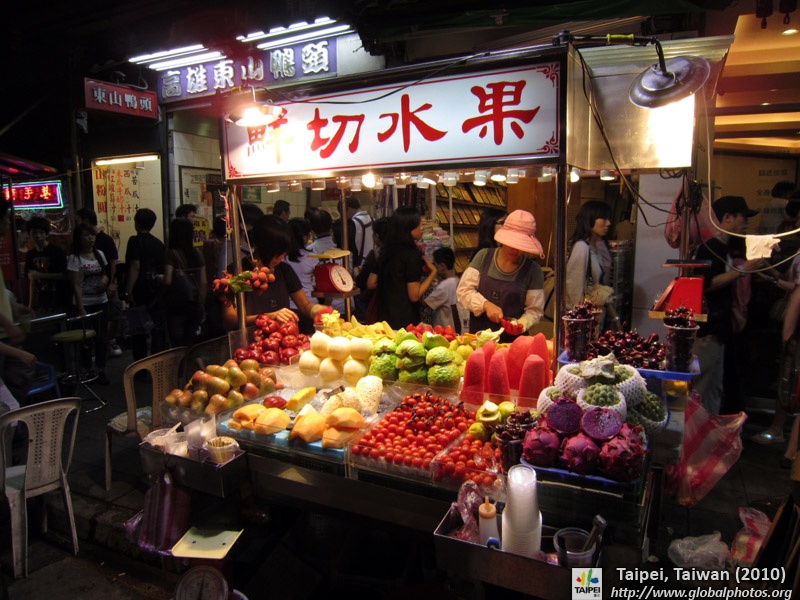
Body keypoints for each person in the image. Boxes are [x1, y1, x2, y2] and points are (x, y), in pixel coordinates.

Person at [691, 196, 764, 415]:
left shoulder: (725, 248)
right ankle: (694, 430)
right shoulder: (710, 248)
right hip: (708, 331)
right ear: (727, 218)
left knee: (714, 387)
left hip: (720, 329)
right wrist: (742, 270)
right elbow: (705, 284)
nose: (746, 223)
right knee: (701, 387)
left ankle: (709, 429)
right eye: (743, 217)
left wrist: (734, 312)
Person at [222, 215, 327, 330]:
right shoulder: (237, 272)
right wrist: (269, 317)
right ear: (264, 249)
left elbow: (305, 306)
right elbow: (231, 320)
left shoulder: (284, 270)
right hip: (250, 337)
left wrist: (318, 311)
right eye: (278, 254)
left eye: (284, 254)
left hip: (281, 337)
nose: (281, 258)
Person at [457, 209, 545, 342]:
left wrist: (520, 325)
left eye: (521, 246)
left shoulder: (534, 271)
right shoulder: (483, 256)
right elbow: (463, 291)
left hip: (514, 343)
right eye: (512, 243)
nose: (516, 250)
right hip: (479, 340)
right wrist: (485, 304)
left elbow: (535, 311)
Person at [367, 207, 437, 329]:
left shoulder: (386, 251)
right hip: (405, 321)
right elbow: (414, 296)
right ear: (408, 227)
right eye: (418, 224)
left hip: (384, 318)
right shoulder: (412, 254)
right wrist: (433, 273)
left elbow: (371, 283)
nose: (422, 228)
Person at [565, 200, 620, 330]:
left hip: (594, 319)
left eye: (609, 219)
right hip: (583, 323)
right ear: (590, 219)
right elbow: (573, 288)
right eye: (603, 218)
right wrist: (578, 321)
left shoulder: (596, 247)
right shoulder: (581, 247)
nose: (608, 223)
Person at [66, 223, 111, 385]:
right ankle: (87, 369)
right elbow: (76, 285)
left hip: (101, 301)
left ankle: (100, 369)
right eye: (86, 235)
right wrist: (81, 307)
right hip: (84, 302)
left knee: (101, 337)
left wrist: (106, 280)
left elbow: (106, 273)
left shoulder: (99, 254)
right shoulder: (75, 258)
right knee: (85, 339)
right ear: (79, 238)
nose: (90, 238)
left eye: (92, 235)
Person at [123, 208, 167, 361]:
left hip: (139, 291)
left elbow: (135, 266)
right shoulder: (158, 243)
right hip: (156, 292)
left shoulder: (134, 241)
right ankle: (156, 364)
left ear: (136, 223)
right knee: (157, 331)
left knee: (139, 332)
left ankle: (140, 366)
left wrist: (128, 291)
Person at [77, 208, 122, 356]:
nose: (90, 238)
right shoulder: (78, 248)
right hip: (88, 293)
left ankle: (110, 340)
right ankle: (95, 347)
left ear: (86, 221)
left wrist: (112, 282)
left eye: (78, 220)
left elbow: (113, 262)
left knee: (113, 314)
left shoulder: (105, 240)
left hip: (105, 286)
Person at [163, 218, 206, 348]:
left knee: (177, 344)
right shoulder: (197, 253)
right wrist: (202, 304)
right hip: (195, 304)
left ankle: (181, 362)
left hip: (177, 305)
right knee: (191, 343)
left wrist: (158, 279)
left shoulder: (171, 254)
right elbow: (203, 282)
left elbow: (167, 280)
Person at [25, 216, 71, 313]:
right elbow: (32, 281)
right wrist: (30, 306)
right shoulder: (30, 255)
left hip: (60, 298)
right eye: (34, 232)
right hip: (43, 300)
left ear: (46, 234)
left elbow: (65, 275)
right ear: (29, 234)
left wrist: (40, 275)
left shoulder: (56, 251)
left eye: (41, 232)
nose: (38, 236)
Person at [285, 217, 318, 334]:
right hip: (309, 305)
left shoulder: (282, 258)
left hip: (289, 309)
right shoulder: (312, 257)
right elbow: (318, 283)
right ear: (304, 236)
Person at [354, 217, 388, 322]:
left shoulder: (376, 254)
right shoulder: (397, 253)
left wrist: (357, 273)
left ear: (376, 236)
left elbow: (365, 282)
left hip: (373, 302)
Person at [219, 203, 263, 277]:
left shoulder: (256, 247)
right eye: (256, 226)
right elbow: (223, 278)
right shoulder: (230, 251)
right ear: (243, 225)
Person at [424, 247, 461, 331]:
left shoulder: (444, 286)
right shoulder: (456, 280)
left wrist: (432, 274)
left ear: (442, 266)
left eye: (435, 265)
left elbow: (426, 303)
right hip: (455, 327)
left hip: (444, 329)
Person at [334, 196, 373, 272]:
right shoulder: (371, 218)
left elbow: (349, 246)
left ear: (347, 209)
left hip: (359, 266)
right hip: (371, 262)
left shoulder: (353, 223)